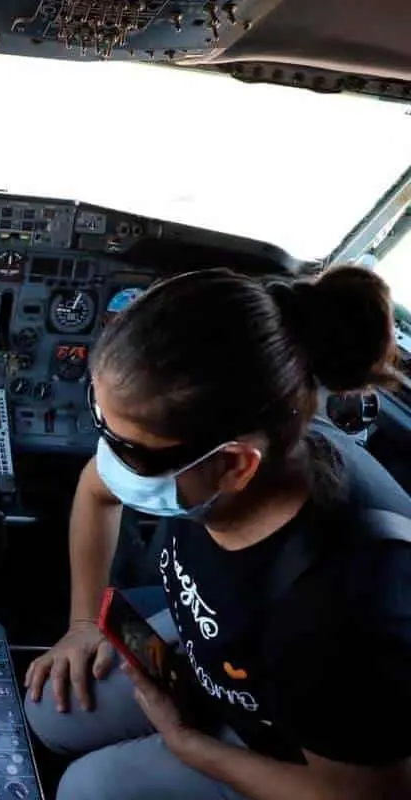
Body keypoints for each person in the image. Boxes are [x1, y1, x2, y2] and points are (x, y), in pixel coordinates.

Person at [22, 266, 411, 799]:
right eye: (100, 418)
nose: (108, 456)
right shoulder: (265, 441)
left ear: (234, 466)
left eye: (130, 450)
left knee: (88, 790)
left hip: (298, 755)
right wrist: (83, 623)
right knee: (52, 709)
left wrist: (189, 744)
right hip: (223, 662)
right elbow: (96, 489)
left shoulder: (338, 616)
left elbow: (361, 794)